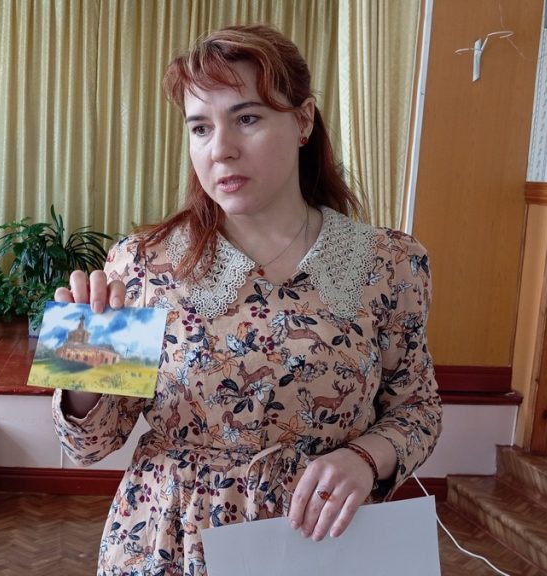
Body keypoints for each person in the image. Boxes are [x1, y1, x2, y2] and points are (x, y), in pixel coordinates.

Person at [51, 24, 442, 576]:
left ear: (303, 121)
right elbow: (86, 446)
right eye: (200, 127)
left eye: (248, 118)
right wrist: (84, 363)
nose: (221, 149)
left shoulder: (389, 263)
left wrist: (364, 458)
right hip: (168, 541)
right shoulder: (139, 262)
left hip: (321, 541)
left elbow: (418, 409)